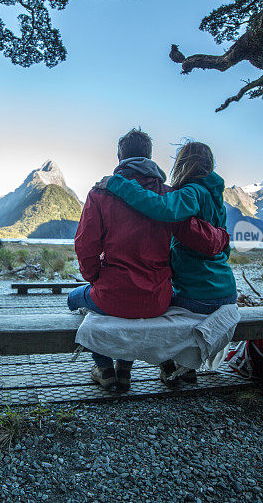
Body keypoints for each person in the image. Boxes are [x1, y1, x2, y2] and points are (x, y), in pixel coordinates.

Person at [69, 130, 230, 392]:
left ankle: (104, 367)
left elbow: (85, 245)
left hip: (112, 293)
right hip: (158, 298)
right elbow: (198, 235)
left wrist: (94, 277)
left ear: (120, 156)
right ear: (150, 156)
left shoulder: (100, 193)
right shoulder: (166, 195)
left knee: (74, 299)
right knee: (131, 308)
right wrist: (222, 237)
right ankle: (124, 367)